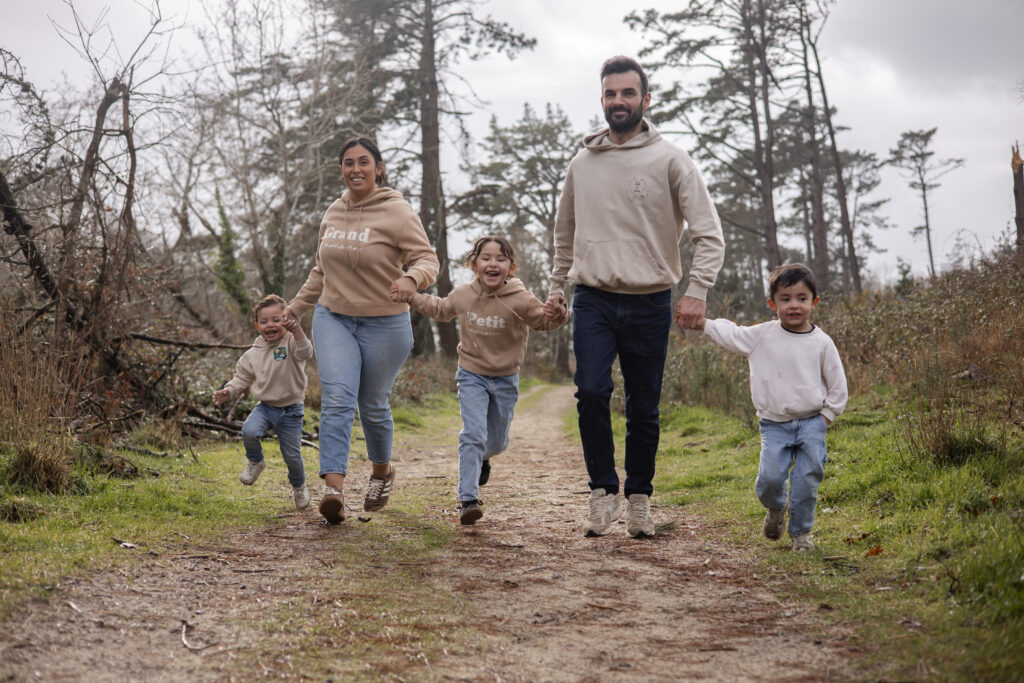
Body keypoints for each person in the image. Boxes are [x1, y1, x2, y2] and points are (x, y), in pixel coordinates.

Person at [545, 55, 725, 539]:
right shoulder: (582, 163)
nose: (618, 101)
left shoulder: (671, 159)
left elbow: (709, 234)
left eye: (628, 93)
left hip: (650, 301)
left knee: (644, 406)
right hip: (593, 298)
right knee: (592, 393)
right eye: (610, 93)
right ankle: (603, 491)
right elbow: (565, 233)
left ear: (646, 100)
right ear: (601, 99)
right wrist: (556, 288)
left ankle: (639, 497)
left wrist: (697, 291)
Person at [286, 136, 439, 524]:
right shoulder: (332, 213)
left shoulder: (398, 213)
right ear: (341, 169)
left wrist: (412, 279)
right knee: (337, 399)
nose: (356, 169)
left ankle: (381, 472)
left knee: (372, 405)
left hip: (385, 322)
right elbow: (321, 271)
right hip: (333, 316)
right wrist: (295, 309)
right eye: (349, 163)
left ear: (378, 167)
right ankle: (334, 490)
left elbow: (427, 259)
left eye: (364, 162)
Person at [393, 236, 567, 525]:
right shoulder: (464, 294)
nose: (493, 264)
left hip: (506, 378)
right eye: (486, 258)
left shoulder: (521, 298)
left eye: (500, 259)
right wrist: (412, 296)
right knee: (473, 434)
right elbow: (440, 308)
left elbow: (542, 319)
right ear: (474, 265)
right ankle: (468, 499)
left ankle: (485, 458)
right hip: (471, 374)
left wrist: (559, 314)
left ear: (511, 268)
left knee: (496, 443)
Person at [699, 263, 848, 551]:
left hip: (812, 423)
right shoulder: (762, 336)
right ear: (772, 303)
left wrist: (826, 417)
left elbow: (837, 384)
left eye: (802, 299)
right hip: (773, 424)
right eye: (786, 299)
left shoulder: (822, 343)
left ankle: (801, 535)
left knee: (806, 482)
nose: (794, 305)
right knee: (769, 479)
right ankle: (776, 508)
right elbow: (732, 333)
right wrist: (705, 323)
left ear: (814, 302)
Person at [213, 294, 314, 510]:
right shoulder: (252, 355)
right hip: (266, 407)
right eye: (265, 321)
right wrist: (228, 391)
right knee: (249, 431)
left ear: (286, 320)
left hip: (292, 410)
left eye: (277, 320)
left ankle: (299, 487)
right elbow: (241, 378)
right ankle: (256, 462)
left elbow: (306, 352)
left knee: (292, 456)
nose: (271, 325)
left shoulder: (290, 342)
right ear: (257, 326)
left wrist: (297, 330)